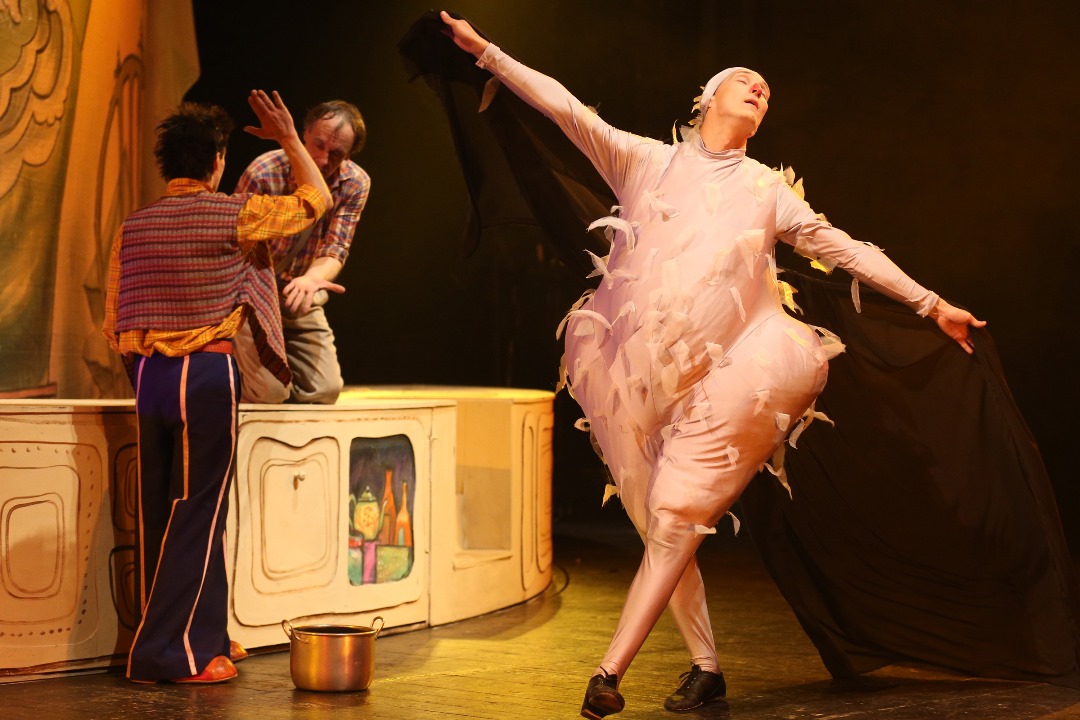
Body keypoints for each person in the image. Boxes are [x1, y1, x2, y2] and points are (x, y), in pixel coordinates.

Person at [439, 12, 986, 719]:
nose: (759, 88)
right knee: (660, 524)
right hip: (631, 371)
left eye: (766, 90)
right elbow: (564, 107)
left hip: (739, 368)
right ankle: (707, 670)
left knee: (675, 516)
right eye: (745, 81)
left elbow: (846, 248)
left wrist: (930, 303)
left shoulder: (766, 190)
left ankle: (609, 672)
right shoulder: (644, 160)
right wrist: (486, 52)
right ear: (707, 98)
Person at [102, 92, 332, 683]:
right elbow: (317, 199)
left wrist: (146, 367)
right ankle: (171, 655)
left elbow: (114, 318)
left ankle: (203, 635)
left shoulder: (133, 226)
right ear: (218, 161)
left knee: (165, 507)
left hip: (149, 375)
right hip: (203, 373)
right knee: (200, 508)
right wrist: (289, 139)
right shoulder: (235, 213)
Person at [233, 99, 371, 404]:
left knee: (325, 389)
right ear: (305, 134)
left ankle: (271, 389)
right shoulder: (264, 173)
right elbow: (234, 248)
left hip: (297, 294)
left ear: (349, 155)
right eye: (318, 145)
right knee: (269, 391)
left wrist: (311, 280)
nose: (323, 159)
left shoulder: (355, 182)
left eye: (336, 154)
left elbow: (336, 247)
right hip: (253, 296)